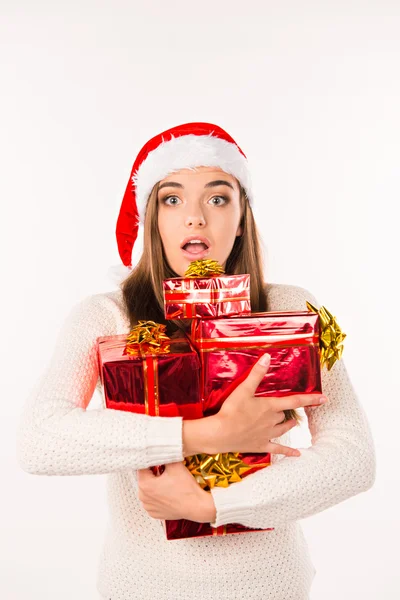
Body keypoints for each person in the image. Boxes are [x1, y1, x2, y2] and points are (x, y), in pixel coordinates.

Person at [16, 122, 376, 600]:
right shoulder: (107, 317)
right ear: (152, 219)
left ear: (242, 217)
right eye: (172, 199)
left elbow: (354, 457)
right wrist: (208, 433)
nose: (195, 218)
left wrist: (216, 505)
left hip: (272, 586)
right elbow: (39, 440)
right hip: (142, 587)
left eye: (217, 197)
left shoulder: (290, 308)